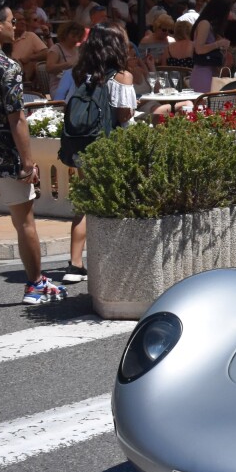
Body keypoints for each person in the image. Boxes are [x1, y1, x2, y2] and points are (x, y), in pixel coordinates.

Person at [0, 4, 64, 304]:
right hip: (4, 153)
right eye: (11, 22)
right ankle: (35, 284)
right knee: (24, 221)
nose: (16, 26)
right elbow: (17, 118)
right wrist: (27, 159)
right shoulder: (6, 66)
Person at [62, 25, 137, 286]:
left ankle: (75, 264)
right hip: (110, 147)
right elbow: (124, 117)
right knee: (117, 200)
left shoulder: (80, 73)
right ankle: (114, 260)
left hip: (84, 144)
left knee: (84, 202)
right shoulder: (122, 77)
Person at [189, 0, 232, 93]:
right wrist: (218, 43)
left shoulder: (210, 26)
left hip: (209, 71)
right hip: (203, 73)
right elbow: (199, 49)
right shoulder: (205, 23)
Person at [44, 21, 84, 99]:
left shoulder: (78, 50)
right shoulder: (56, 49)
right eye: (73, 36)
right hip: (59, 87)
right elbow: (49, 68)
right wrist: (67, 64)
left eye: (78, 37)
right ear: (65, 34)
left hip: (76, 85)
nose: (76, 39)